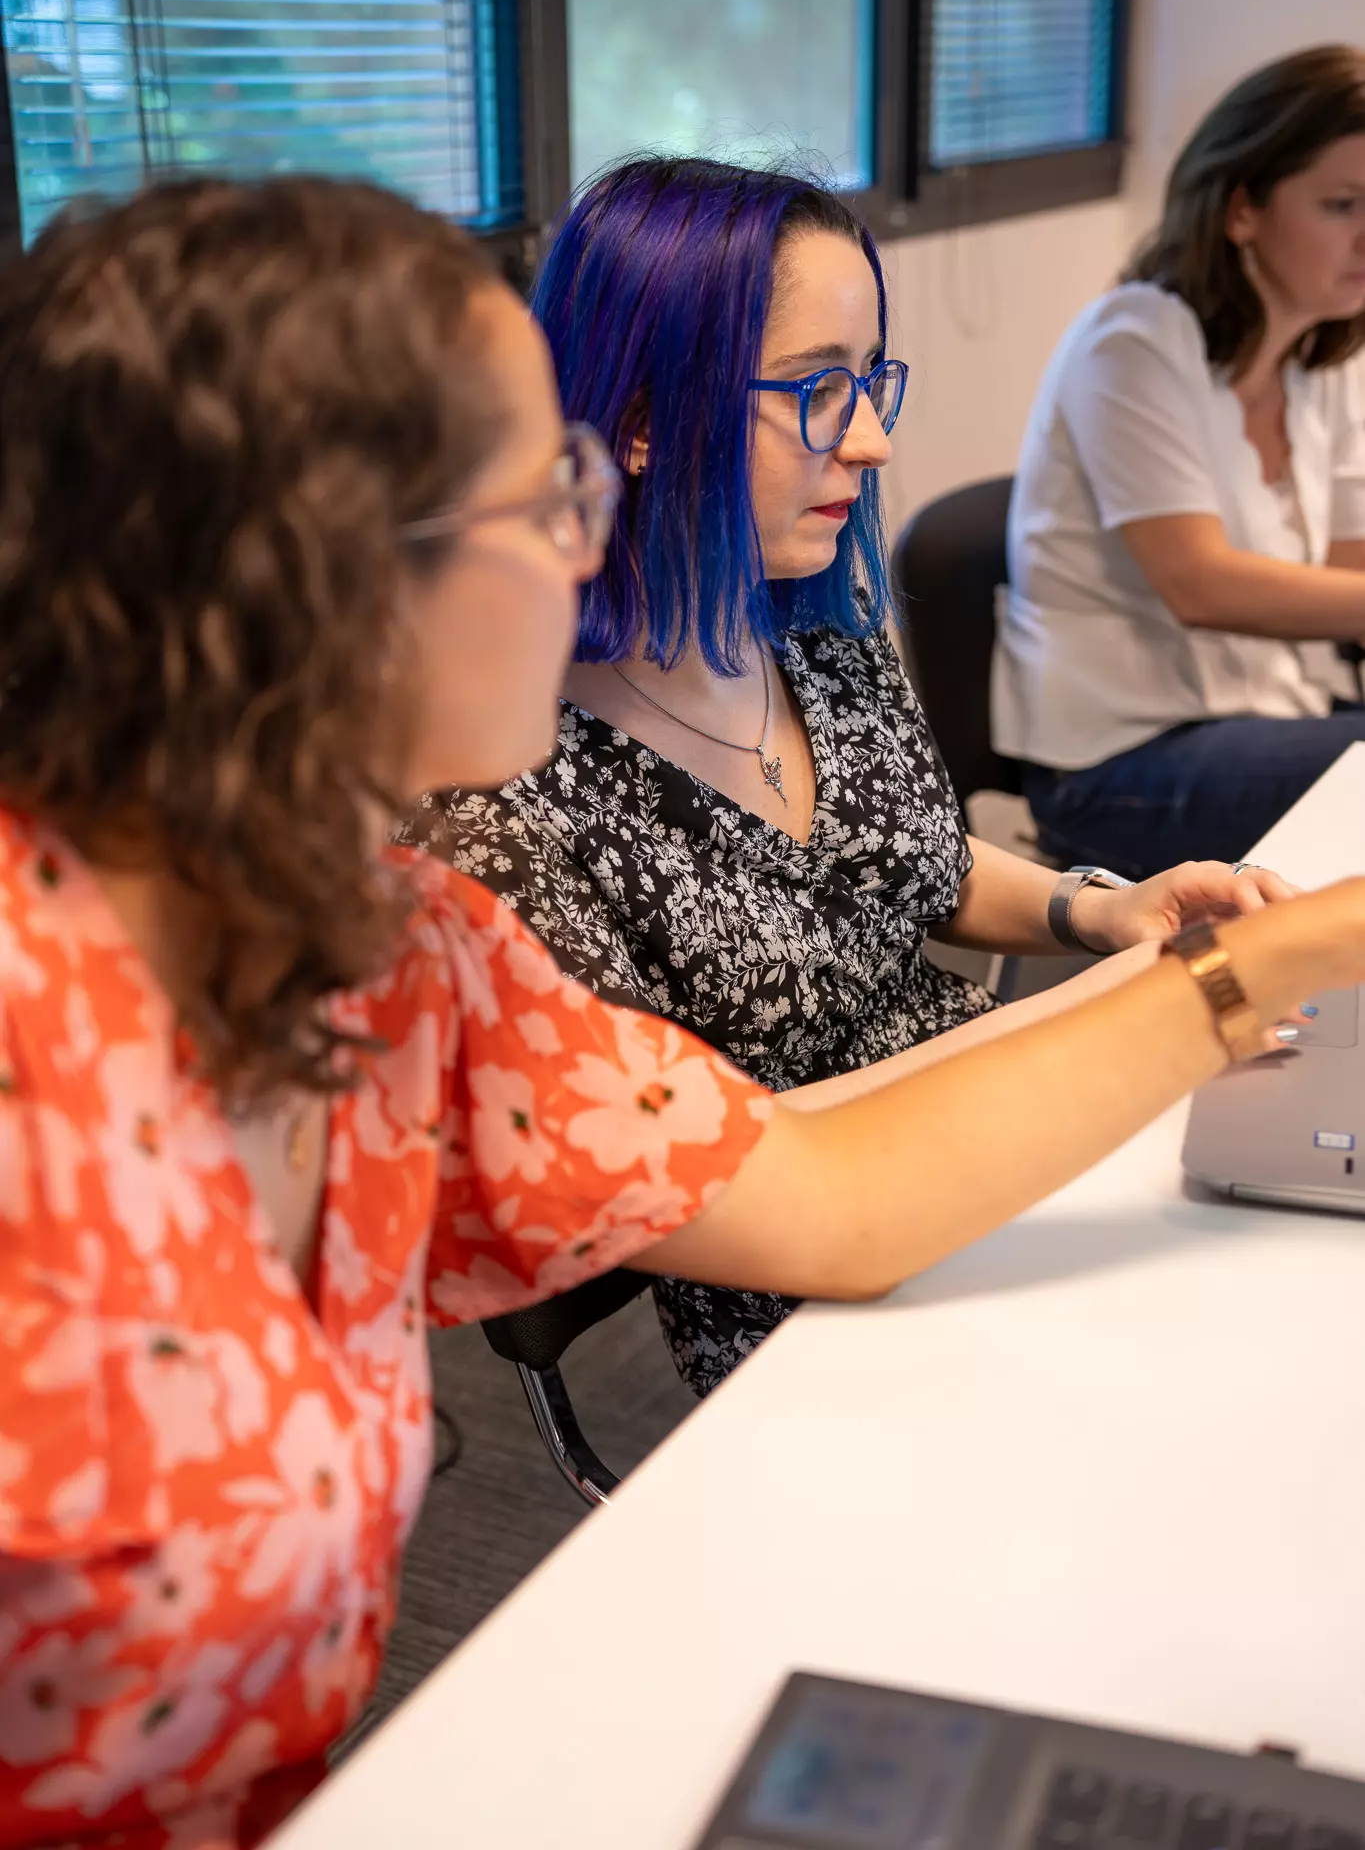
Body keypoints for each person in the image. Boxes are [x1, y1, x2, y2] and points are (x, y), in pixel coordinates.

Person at [2, 180, 1363, 1850]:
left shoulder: (403, 954)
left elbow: (829, 1186)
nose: (588, 539)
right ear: (319, 570)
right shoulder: (54, 1034)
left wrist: (1262, 962)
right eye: (546, 489)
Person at [410, 155, 1296, 1396]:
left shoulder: (803, 618)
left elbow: (910, 858)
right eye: (821, 390)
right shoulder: (501, 784)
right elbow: (751, 1164)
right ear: (646, 417)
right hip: (826, 1297)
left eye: (872, 380)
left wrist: (1096, 908)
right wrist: (1142, 1006)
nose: (874, 439)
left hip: (994, 1133)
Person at [994, 44, 1365, 877]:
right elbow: (1200, 586)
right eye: (1342, 204)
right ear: (1240, 209)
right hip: (1119, 766)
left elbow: (1345, 582)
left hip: (1274, 716)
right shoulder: (1132, 341)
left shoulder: (1324, 361)